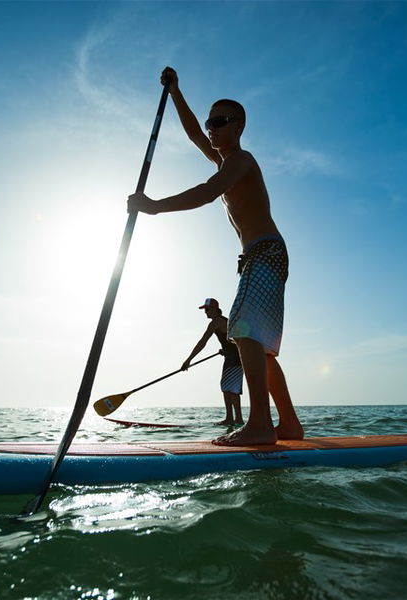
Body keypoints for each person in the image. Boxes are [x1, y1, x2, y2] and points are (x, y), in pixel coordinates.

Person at [128, 66, 304, 446]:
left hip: (265, 252)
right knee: (258, 346)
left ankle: (259, 425)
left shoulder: (241, 160)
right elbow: (193, 133)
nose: (212, 128)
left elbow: (209, 192)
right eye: (211, 122)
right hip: (261, 256)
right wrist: (176, 92)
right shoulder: (225, 159)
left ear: (238, 127)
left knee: (242, 331)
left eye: (220, 122)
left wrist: (154, 207)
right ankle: (288, 425)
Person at [182, 297, 244, 426]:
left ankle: (231, 419)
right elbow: (233, 340)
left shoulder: (216, 322)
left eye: (208, 309)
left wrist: (188, 360)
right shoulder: (225, 320)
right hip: (237, 357)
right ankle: (236, 419)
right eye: (205, 310)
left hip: (233, 358)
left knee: (228, 388)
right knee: (231, 388)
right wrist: (225, 350)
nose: (206, 312)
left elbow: (202, 342)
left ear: (215, 309)